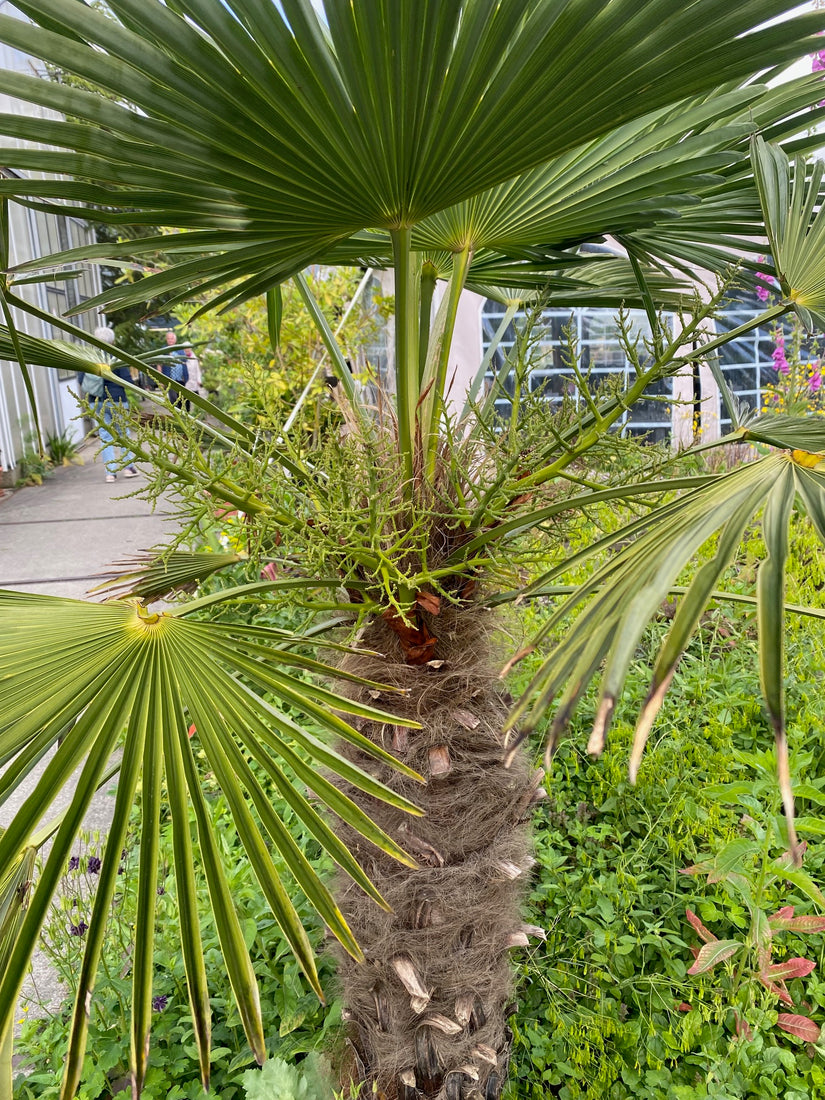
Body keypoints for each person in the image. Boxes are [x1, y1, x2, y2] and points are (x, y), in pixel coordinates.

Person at [88, 325, 139, 483]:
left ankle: (110, 473)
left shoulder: (89, 356)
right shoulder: (115, 357)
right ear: (112, 341)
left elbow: (81, 380)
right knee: (123, 433)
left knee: (105, 436)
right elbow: (126, 380)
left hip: (96, 401)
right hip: (117, 400)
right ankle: (128, 467)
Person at [160, 329, 190, 409]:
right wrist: (160, 379)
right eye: (168, 338)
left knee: (182, 398)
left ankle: (183, 413)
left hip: (181, 379)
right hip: (170, 379)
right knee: (174, 399)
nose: (170, 340)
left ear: (175, 339)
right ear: (166, 340)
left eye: (172, 338)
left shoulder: (180, 350)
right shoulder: (163, 350)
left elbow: (185, 363)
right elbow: (159, 364)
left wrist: (186, 377)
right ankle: (176, 414)